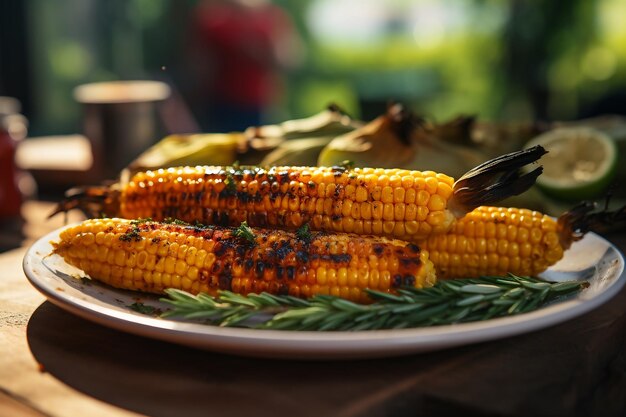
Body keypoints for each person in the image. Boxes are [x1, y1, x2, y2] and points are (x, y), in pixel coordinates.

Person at [185, 0, 304, 133]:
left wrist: (259, 50)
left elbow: (290, 61)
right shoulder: (213, 18)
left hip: (259, 106)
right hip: (218, 104)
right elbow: (198, 66)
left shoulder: (272, 17)